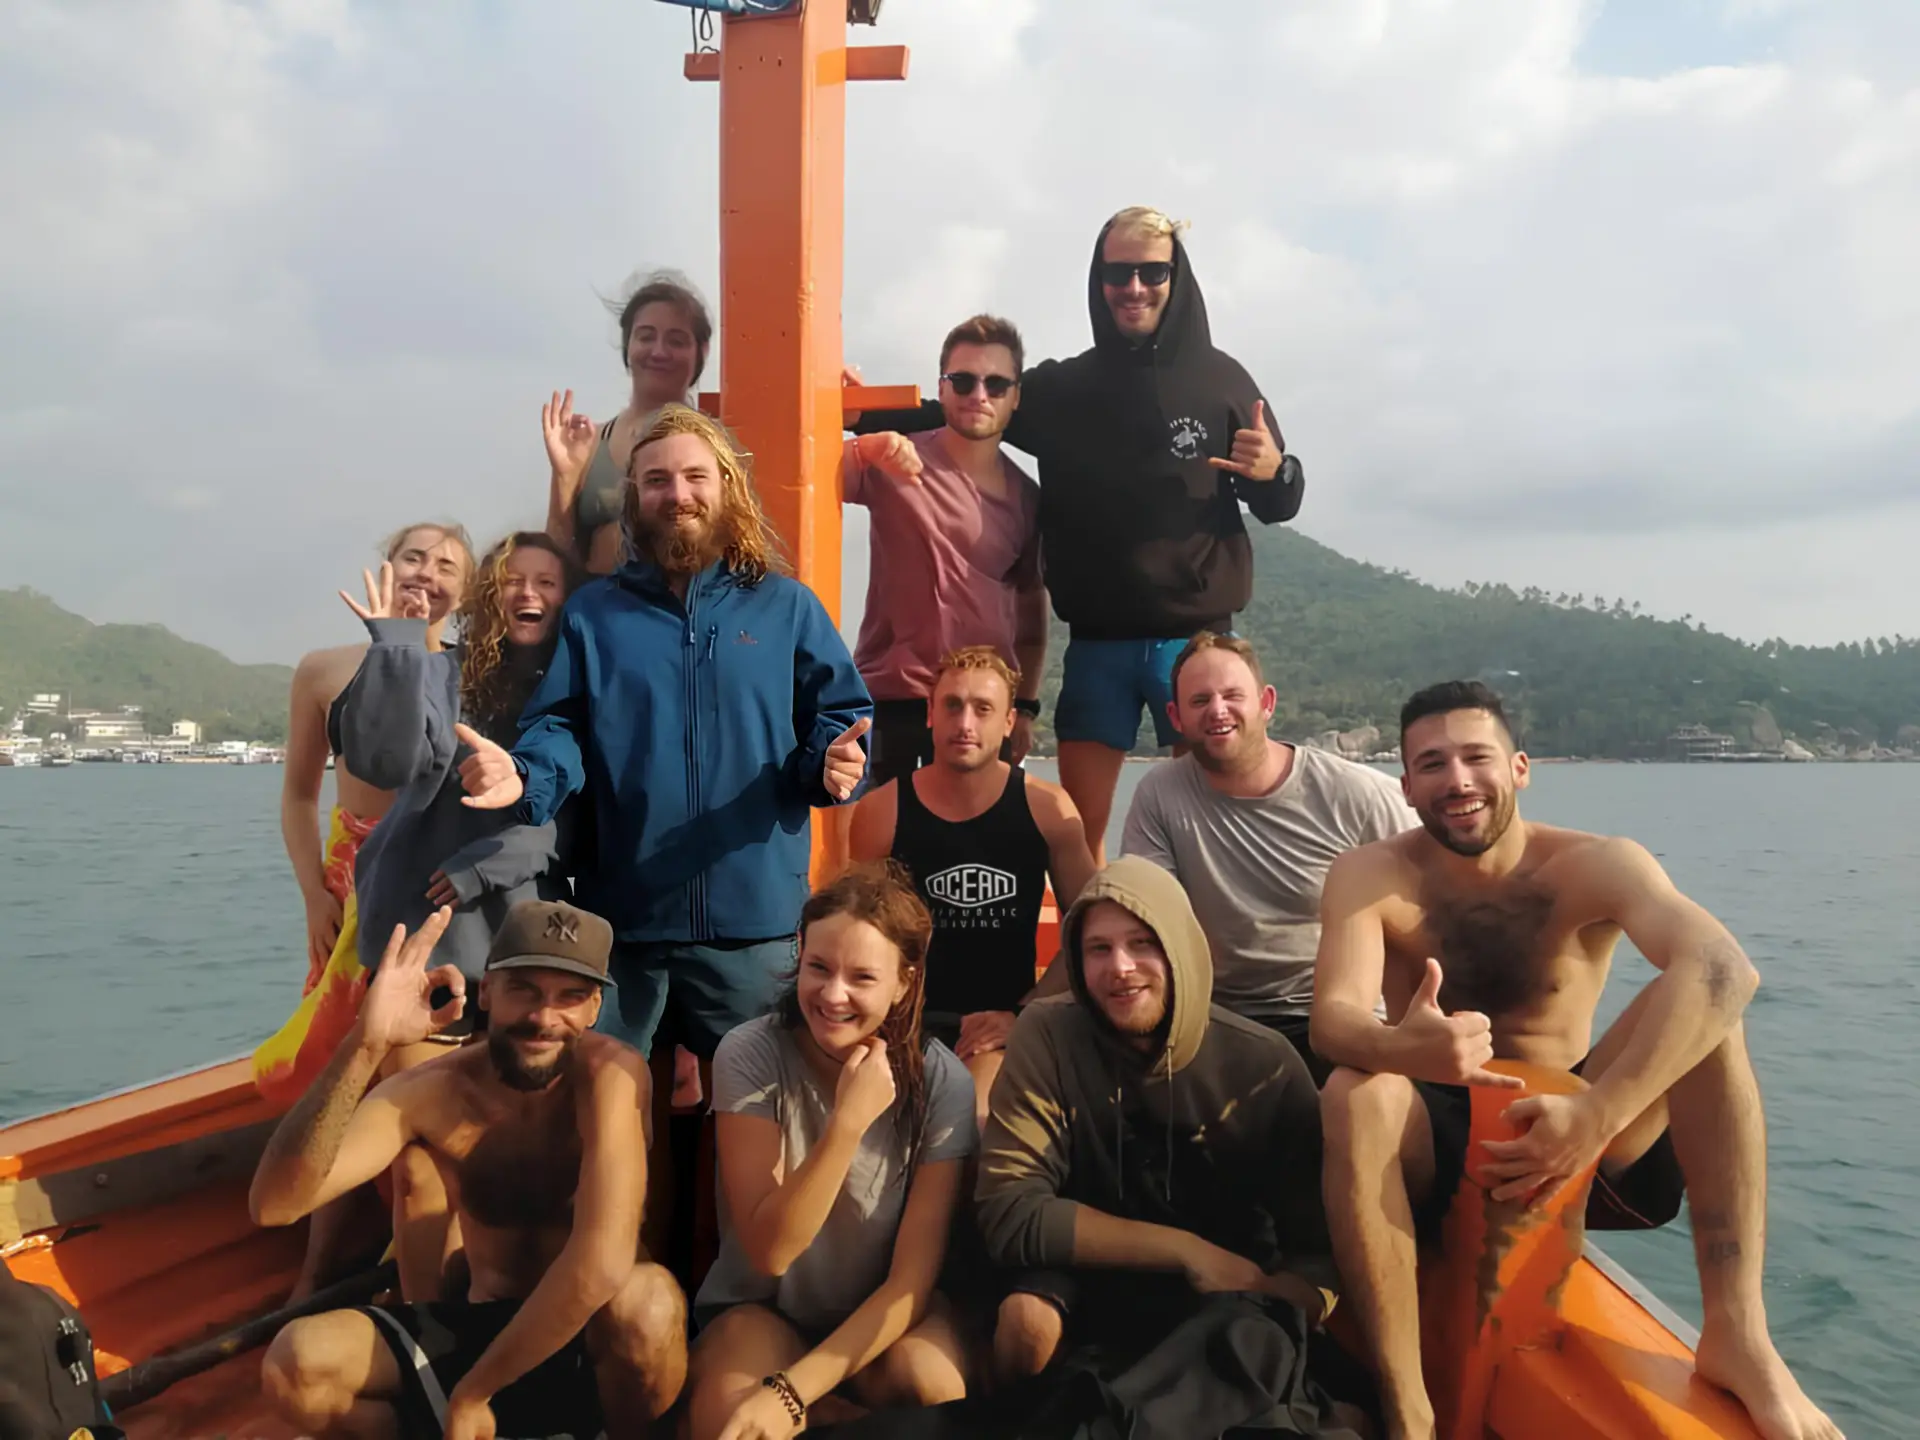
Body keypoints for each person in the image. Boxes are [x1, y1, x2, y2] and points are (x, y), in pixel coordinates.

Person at [1310, 681, 1843, 1440]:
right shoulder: (1372, 875)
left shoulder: (1595, 864)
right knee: (1353, 1094)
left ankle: (1739, 1334)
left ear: (1519, 768)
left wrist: (1597, 1114)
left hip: (1577, 1131)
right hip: (1441, 1129)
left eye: (1475, 757)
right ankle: (1408, 1408)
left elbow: (1726, 970)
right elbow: (1332, 1020)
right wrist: (1401, 1047)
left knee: (1709, 1020)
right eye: (1432, 764)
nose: (1456, 780)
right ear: (1405, 786)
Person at [853, 206, 1305, 862]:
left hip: (1200, 639)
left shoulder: (1222, 380)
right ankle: (1087, 951)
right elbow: (970, 406)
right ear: (1099, 281)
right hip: (1097, 645)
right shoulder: (1062, 389)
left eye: (1153, 271)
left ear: (1178, 277)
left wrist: (1276, 472)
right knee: (1078, 838)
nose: (1135, 286)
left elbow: (1280, 499)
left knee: (1217, 825)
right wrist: (857, 407)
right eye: (1118, 272)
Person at [459, 403, 873, 1073]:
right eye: (656, 480)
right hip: (621, 928)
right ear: (634, 497)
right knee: (609, 1120)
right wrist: (526, 776)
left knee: (759, 1114)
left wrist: (830, 763)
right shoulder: (594, 613)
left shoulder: (785, 605)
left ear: (726, 487)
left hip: (755, 927)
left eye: (693, 477)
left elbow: (839, 714)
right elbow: (560, 725)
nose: (676, 495)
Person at [251, 901, 689, 1440]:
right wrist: (366, 1045)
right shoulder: (432, 1092)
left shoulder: (613, 1077)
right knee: (296, 1363)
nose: (545, 1017)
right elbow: (275, 1205)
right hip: (481, 1327)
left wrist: (475, 1392)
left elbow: (600, 1266)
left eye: (570, 996)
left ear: (596, 1006)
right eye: (524, 989)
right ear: (487, 992)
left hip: (589, 1339)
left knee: (647, 1306)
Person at [978, 856, 1336, 1389]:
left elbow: (1316, 1253)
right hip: (1090, 1268)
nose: (1120, 967)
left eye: (1142, 943)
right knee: (1026, 1322)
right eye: (1098, 948)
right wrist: (1184, 1251)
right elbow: (1008, 1212)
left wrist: (1271, 1295)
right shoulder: (1047, 1034)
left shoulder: (1266, 1064)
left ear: (1181, 950)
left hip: (1226, 1289)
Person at [686, 863, 975, 1440]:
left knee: (934, 1388)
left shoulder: (944, 1082)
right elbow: (771, 1251)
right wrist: (847, 1122)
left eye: (862, 978)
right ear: (798, 952)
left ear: (905, 983)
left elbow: (910, 1284)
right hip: (765, 1310)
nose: (833, 995)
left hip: (879, 1316)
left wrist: (792, 1394)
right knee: (730, 1421)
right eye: (818, 968)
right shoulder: (749, 1054)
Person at [1117, 632, 1414, 1080]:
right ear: (1175, 717)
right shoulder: (1161, 795)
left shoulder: (1355, 794)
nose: (1217, 710)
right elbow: (1147, 918)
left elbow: (1429, 901)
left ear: (1266, 703)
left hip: (1333, 1020)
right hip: (1215, 1019)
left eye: (1232, 695)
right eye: (1200, 701)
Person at [333, 531, 585, 1053]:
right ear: (488, 594)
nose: (527, 593)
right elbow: (386, 762)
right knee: (414, 1112)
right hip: (425, 941)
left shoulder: (584, 692)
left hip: (527, 948)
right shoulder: (441, 673)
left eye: (546, 582)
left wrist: (483, 866)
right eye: (511, 580)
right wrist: (397, 645)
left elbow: (582, 811)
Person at [849, 646, 1095, 1127]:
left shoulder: (1048, 810)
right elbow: (856, 936)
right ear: (930, 715)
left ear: (1008, 723)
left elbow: (1091, 930)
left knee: (973, 1117)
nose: (966, 723)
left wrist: (1023, 1016)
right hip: (904, 1023)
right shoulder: (882, 812)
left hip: (998, 1024)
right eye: (952, 705)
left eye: (983, 709)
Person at [841, 315, 1048, 784]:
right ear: (943, 386)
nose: (979, 395)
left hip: (981, 711)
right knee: (877, 854)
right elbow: (798, 477)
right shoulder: (892, 456)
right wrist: (855, 444)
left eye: (996, 384)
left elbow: (1032, 612)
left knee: (972, 858)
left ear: (1016, 397)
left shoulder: (1029, 498)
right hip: (891, 706)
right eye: (963, 380)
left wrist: (1027, 707)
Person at [276, 523, 474, 1005]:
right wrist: (314, 895)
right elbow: (300, 795)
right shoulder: (322, 670)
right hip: (354, 882)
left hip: (445, 880)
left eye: (446, 567)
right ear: (387, 568)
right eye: (413, 558)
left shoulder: (476, 673)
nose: (426, 574)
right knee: (342, 1028)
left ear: (466, 596)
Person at [545, 269, 714, 574]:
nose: (659, 351)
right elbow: (558, 555)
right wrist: (564, 476)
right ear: (628, 345)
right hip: (596, 612)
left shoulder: (715, 447)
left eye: (676, 340)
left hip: (679, 613)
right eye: (646, 337)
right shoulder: (590, 442)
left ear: (701, 351)